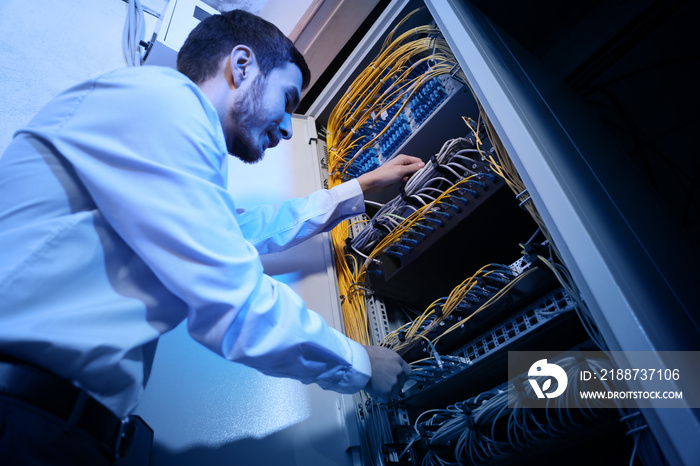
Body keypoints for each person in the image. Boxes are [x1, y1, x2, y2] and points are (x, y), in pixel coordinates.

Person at [0, 9, 422, 466]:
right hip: (23, 420)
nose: (285, 128)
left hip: (50, 425)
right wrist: (359, 364)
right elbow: (231, 296)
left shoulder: (159, 128)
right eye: (288, 98)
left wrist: (356, 190)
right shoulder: (165, 103)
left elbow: (240, 233)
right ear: (242, 66)